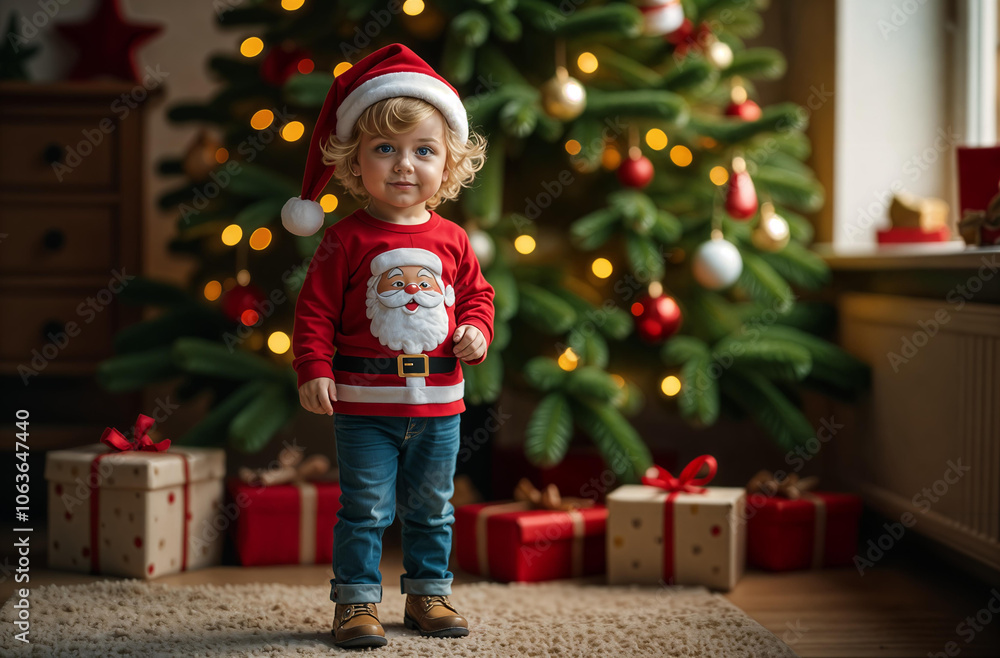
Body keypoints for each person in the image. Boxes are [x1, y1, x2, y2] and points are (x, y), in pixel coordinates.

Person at [281, 43, 494, 650]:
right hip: (363, 404)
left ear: (447, 164)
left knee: (433, 508)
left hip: (440, 407)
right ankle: (356, 603)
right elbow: (315, 312)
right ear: (355, 161)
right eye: (385, 150)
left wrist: (476, 332)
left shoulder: (453, 239)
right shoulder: (345, 241)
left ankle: (429, 593)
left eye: (423, 151)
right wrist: (313, 366)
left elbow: (478, 297)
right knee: (366, 509)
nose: (405, 165)